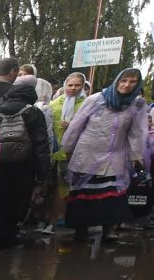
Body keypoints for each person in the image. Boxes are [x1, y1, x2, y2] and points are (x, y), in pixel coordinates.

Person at [58, 67, 150, 242]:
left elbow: (136, 132)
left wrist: (136, 155)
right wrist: (66, 148)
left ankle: (109, 230)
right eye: (124, 81)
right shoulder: (96, 99)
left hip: (114, 155)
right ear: (117, 81)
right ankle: (81, 230)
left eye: (132, 82)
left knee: (112, 195)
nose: (127, 85)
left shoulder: (136, 104)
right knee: (83, 195)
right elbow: (77, 124)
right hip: (87, 153)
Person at [0, 76, 53, 246]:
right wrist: (43, 171)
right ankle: (11, 230)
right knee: (19, 196)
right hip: (24, 163)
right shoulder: (33, 111)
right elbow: (41, 142)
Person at [47, 72, 89, 225]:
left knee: (73, 186)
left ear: (83, 86)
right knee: (57, 186)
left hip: (77, 151)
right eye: (70, 85)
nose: (73, 88)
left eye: (77, 85)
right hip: (56, 151)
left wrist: (73, 127)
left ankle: (68, 217)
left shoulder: (87, 104)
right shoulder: (55, 103)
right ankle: (54, 216)